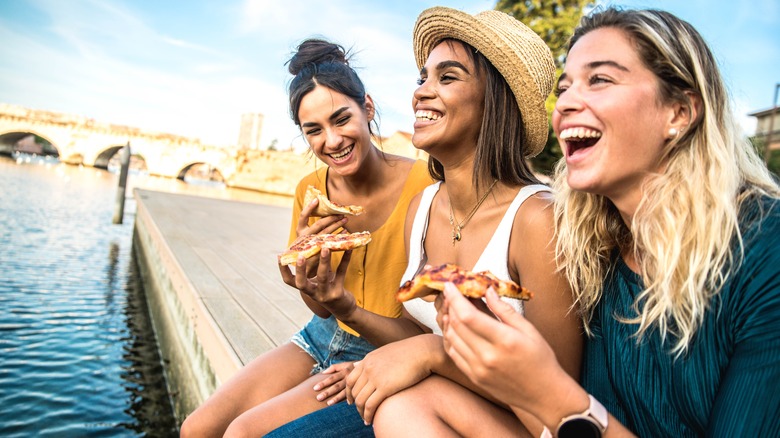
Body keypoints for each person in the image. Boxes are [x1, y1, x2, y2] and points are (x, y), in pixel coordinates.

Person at [420, 6, 780, 437]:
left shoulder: (764, 250)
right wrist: (490, 357)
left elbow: (565, 408)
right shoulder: (595, 251)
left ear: (679, 113)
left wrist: (545, 389)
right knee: (412, 405)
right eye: (565, 86)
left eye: (600, 79)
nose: (566, 103)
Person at [267, 7, 582, 437]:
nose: (420, 93)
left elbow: (558, 400)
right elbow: (415, 334)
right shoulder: (424, 207)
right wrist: (344, 306)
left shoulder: (538, 220)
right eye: (422, 78)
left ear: (495, 98)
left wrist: (433, 354)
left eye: (446, 77)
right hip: (422, 409)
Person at [179, 38, 432, 437]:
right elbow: (321, 311)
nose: (331, 141)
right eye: (313, 130)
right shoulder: (310, 190)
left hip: (388, 352)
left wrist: (342, 307)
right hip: (323, 337)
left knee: (241, 433)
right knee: (197, 429)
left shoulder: (427, 182)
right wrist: (305, 274)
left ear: (367, 108)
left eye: (341, 119)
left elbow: (428, 330)